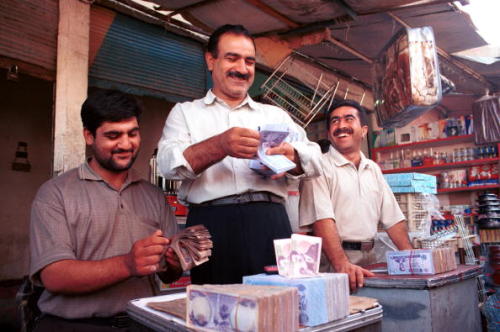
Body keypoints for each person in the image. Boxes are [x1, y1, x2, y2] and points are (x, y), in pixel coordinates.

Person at [157, 24, 321, 284]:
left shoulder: (274, 114)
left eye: (249, 61)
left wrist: (293, 155)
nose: (242, 69)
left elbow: (315, 159)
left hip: (270, 221)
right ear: (211, 61)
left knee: (276, 306)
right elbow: (167, 165)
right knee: (216, 310)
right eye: (232, 58)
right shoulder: (185, 113)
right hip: (211, 225)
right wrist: (220, 145)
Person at [29, 90, 182, 331]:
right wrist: (128, 264)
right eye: (113, 135)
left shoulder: (153, 196)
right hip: (73, 325)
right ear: (88, 136)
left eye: (133, 133)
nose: (125, 144)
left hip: (142, 324)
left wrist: (174, 263)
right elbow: (54, 276)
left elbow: (168, 276)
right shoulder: (55, 194)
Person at [299, 100, 413, 291]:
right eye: (334, 121)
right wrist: (341, 264)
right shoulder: (319, 167)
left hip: (370, 258)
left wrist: (411, 256)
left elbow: (393, 219)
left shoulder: (373, 168)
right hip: (335, 261)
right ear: (329, 134)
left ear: (364, 130)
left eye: (348, 119)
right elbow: (322, 220)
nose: (341, 125)